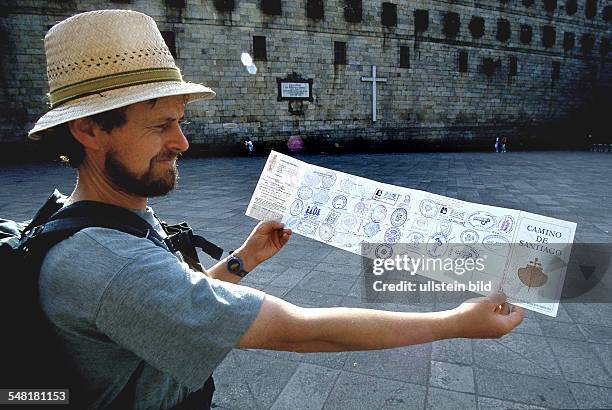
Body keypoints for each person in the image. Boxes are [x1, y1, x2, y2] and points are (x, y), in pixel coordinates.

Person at [29, 10, 524, 409]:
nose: (181, 141)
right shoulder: (114, 264)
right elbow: (303, 333)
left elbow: (175, 306)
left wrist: (245, 259)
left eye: (180, 122)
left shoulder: (95, 217)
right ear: (89, 131)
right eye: (160, 126)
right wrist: (456, 322)